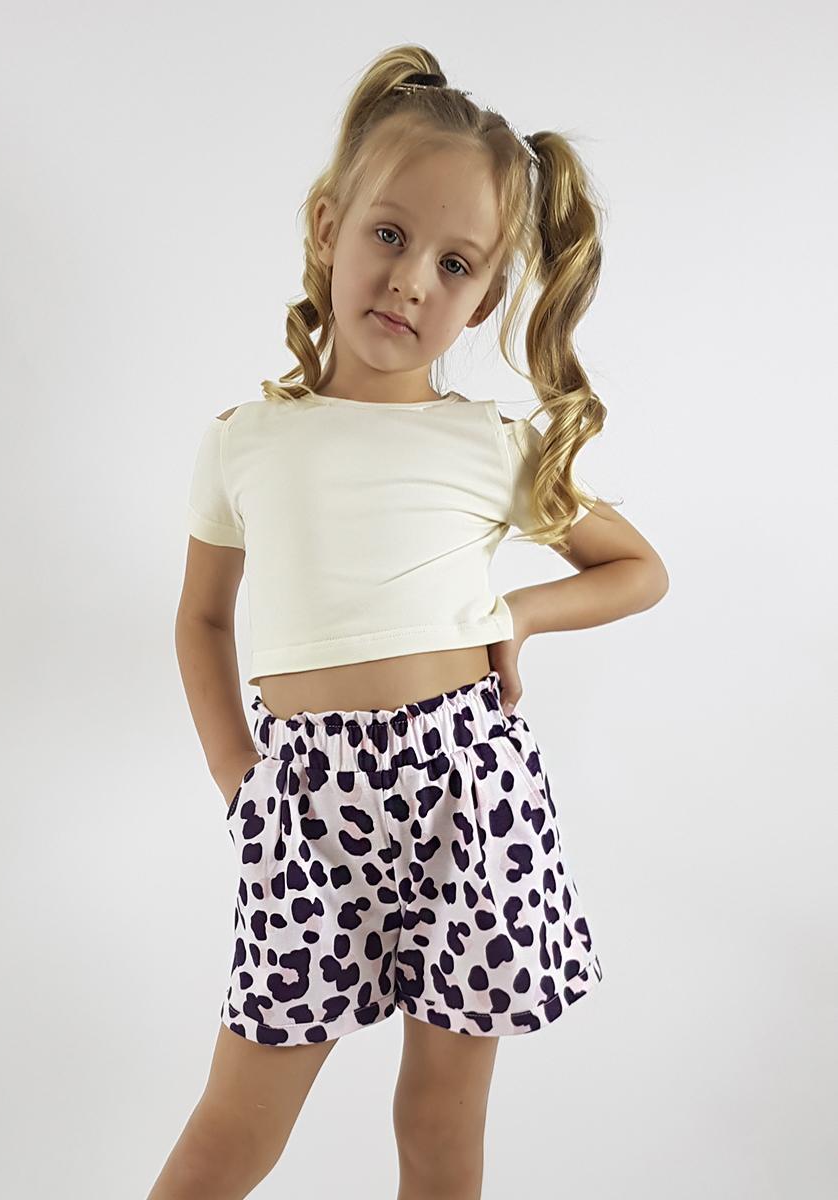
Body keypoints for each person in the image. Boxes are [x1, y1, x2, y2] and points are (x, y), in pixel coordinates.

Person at [149, 44, 669, 1200]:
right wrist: (240, 778)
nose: (412, 281)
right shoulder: (245, 440)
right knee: (237, 1122)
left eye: (455, 264)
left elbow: (638, 570)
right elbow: (202, 621)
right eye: (389, 235)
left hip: (466, 795)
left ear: (485, 298)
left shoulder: (492, 443)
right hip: (302, 806)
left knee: (437, 1121)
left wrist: (520, 615)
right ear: (328, 226)